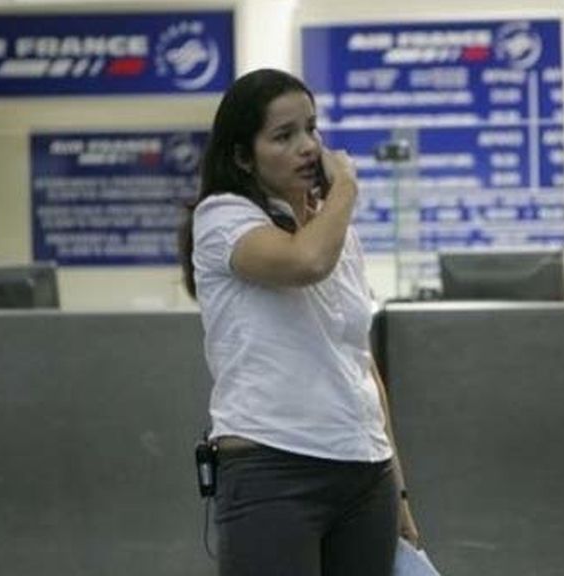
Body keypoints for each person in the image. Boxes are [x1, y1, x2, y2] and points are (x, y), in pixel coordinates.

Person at [178, 68, 420, 576]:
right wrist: (346, 190)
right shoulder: (222, 218)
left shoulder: (336, 234)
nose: (308, 147)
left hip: (364, 471)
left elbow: (360, 364)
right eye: (284, 136)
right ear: (244, 156)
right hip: (273, 468)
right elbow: (304, 263)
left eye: (312, 129)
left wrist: (397, 489)